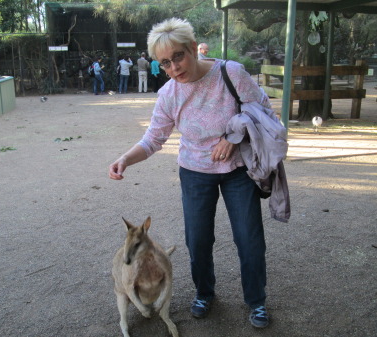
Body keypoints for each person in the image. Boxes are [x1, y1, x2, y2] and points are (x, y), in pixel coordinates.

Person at [109, 18, 278, 329]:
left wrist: (232, 137)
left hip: (239, 171)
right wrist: (125, 159)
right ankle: (204, 292)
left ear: (192, 48)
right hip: (195, 173)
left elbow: (263, 110)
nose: (174, 67)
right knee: (198, 239)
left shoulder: (231, 73)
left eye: (178, 56)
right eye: (165, 63)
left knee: (249, 239)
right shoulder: (169, 94)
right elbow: (153, 139)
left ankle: (256, 301)